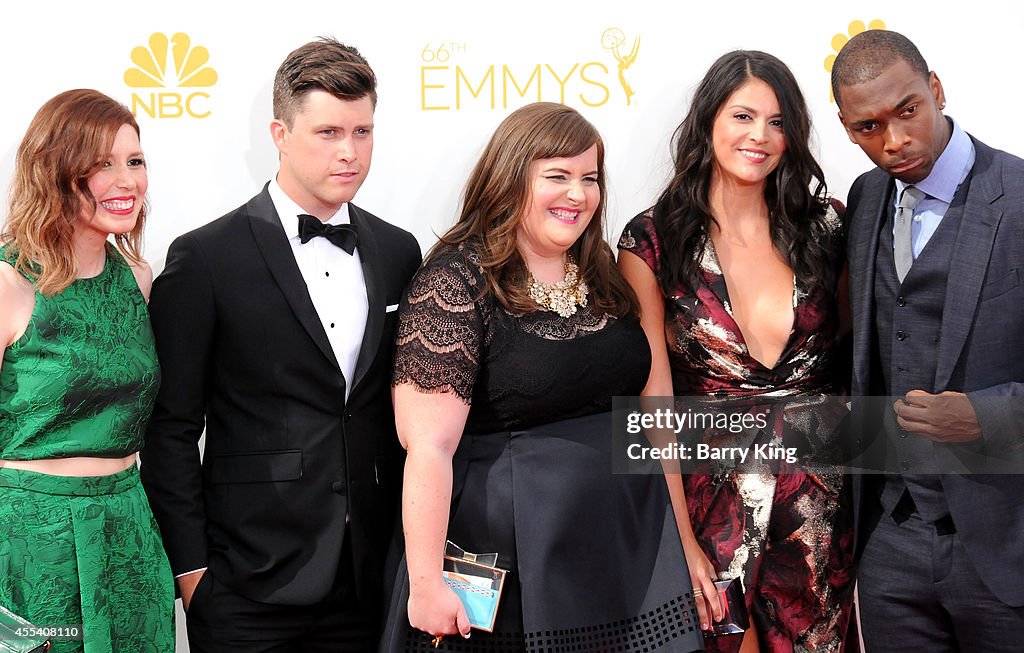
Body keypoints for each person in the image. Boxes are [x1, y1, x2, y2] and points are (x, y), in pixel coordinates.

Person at [379, 102, 704, 653]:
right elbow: (428, 446)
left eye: (590, 178)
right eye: (557, 176)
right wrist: (428, 582)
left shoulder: (602, 270)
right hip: (512, 563)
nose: (577, 194)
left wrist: (681, 538)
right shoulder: (456, 281)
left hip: (623, 550)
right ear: (509, 177)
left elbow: (648, 413)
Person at [139, 38, 421, 652]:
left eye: (363, 131)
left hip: (371, 578)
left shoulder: (400, 252)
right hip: (247, 584)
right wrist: (194, 575)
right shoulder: (205, 258)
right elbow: (170, 429)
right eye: (327, 132)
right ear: (280, 132)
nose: (349, 152)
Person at [618, 51, 854, 652]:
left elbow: (863, 366)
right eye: (743, 116)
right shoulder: (652, 240)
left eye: (777, 122)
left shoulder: (830, 229)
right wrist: (680, 538)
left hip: (821, 518)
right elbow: (655, 402)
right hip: (712, 512)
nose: (760, 136)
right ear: (708, 123)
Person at [832, 29, 1024, 652]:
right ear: (845, 128)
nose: (893, 141)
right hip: (890, 540)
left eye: (908, 110)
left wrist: (988, 416)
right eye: (867, 128)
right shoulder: (864, 201)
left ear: (936, 89)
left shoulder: (1020, 198)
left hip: (1005, 540)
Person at [0, 89, 174, 651]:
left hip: (128, 528)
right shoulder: (8, 282)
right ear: (57, 170)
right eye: (102, 164)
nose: (126, 181)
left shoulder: (137, 278)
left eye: (134, 161)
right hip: (30, 540)